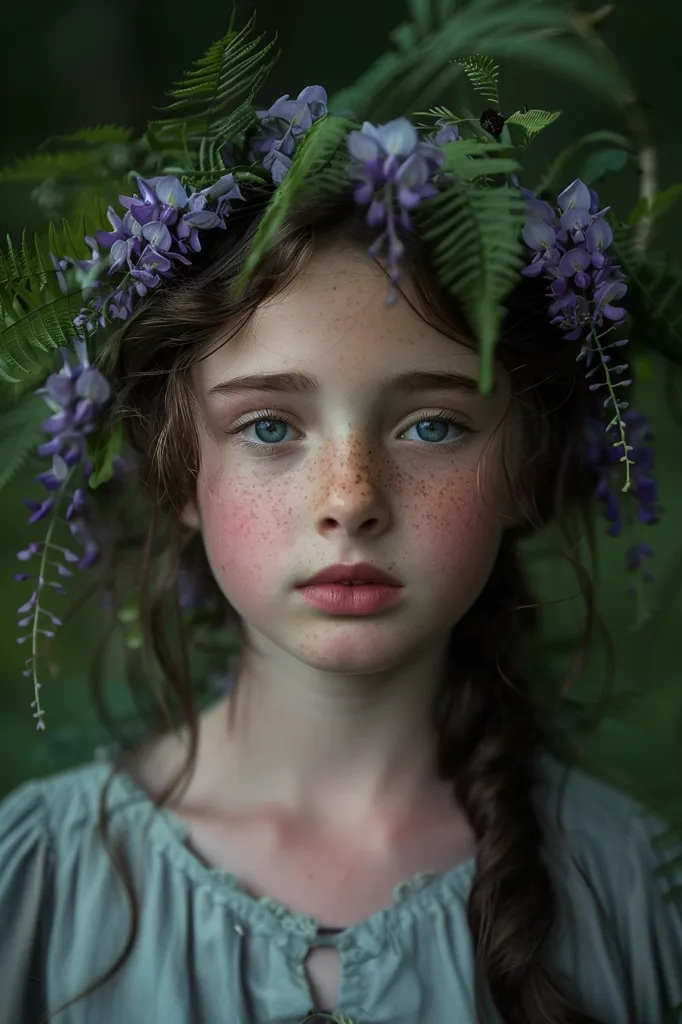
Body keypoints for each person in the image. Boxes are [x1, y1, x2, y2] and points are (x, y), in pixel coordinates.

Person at [0, 9, 680, 1024]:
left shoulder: (627, 891)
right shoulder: (35, 886)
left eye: (434, 427)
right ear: (177, 470)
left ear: (526, 467)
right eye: (270, 424)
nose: (351, 498)